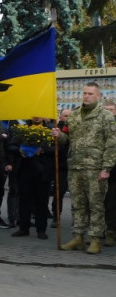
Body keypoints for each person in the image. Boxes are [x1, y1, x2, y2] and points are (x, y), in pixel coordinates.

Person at [52, 82, 116, 254]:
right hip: (75, 167)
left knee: (96, 204)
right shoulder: (74, 115)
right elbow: (68, 138)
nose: (86, 96)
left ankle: (95, 239)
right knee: (77, 203)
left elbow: (112, 144)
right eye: (85, 93)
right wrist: (60, 135)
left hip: (95, 168)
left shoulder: (105, 117)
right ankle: (78, 237)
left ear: (98, 96)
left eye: (90, 93)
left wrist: (106, 168)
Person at [9, 117, 54, 239]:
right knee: (24, 200)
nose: (36, 117)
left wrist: (43, 149)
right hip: (25, 170)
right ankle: (24, 228)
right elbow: (11, 146)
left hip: (42, 171)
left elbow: (57, 149)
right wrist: (19, 150)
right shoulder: (23, 130)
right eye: (34, 114)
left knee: (42, 202)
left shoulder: (50, 130)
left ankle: (41, 229)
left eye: (39, 114)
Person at [49, 107, 71, 227]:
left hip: (74, 166)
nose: (67, 118)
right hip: (61, 166)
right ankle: (56, 216)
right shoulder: (57, 128)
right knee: (59, 193)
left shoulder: (76, 128)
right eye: (65, 116)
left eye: (69, 116)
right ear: (61, 117)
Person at [103, 101, 116, 245]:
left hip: (114, 170)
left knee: (112, 202)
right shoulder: (99, 127)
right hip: (102, 170)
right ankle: (106, 232)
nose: (108, 112)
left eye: (111, 109)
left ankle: (112, 231)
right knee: (104, 203)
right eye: (105, 110)